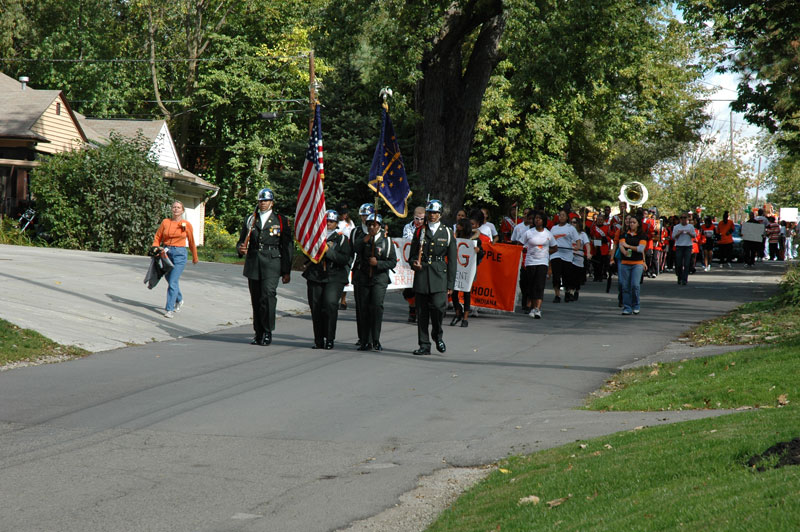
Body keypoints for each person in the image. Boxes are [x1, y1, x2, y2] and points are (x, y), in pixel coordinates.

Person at [237, 188, 293, 345]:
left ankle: (268, 331)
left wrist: (286, 270)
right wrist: (240, 249)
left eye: (266, 201)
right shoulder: (251, 219)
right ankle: (258, 332)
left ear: (272, 203)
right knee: (256, 299)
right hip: (254, 262)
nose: (263, 204)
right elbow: (241, 241)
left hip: (272, 262)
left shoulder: (281, 220)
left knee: (267, 296)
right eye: (261, 201)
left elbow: (287, 246)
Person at [409, 199, 457, 355]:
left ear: (440, 214)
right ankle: (424, 344)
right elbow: (412, 255)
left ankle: (437, 334)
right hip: (422, 274)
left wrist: (450, 284)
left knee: (438, 308)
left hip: (439, 275)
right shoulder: (420, 231)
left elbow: (452, 262)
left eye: (435, 213)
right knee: (422, 312)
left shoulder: (448, 232)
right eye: (430, 213)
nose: (432, 216)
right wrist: (413, 263)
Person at [302, 210, 352, 350]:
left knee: (330, 305)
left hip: (334, 276)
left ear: (336, 224)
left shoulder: (342, 239)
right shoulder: (315, 238)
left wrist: (328, 252)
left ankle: (329, 338)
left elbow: (344, 259)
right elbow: (306, 255)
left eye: (331, 222)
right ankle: (318, 339)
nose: (328, 224)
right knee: (316, 307)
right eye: (326, 221)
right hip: (315, 275)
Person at [353, 213, 396, 351]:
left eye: (375, 225)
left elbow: (392, 262)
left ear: (380, 226)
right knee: (364, 308)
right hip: (363, 277)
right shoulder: (362, 238)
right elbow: (354, 249)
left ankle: (376, 339)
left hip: (379, 278)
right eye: (369, 224)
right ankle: (365, 340)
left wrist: (378, 263)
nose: (372, 227)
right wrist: (367, 238)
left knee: (376, 307)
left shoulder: (387, 241)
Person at [151, 200, 199, 318]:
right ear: (171, 209)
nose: (176, 209)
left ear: (182, 210)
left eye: (178, 207)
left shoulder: (186, 224)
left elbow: (192, 241)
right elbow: (158, 236)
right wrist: (155, 247)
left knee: (173, 281)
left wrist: (195, 256)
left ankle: (169, 309)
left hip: (180, 254)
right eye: (174, 207)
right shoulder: (165, 222)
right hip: (166, 253)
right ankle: (179, 299)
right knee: (170, 279)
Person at [522, 211, 557, 319]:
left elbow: (555, 248)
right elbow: (520, 245)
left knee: (540, 286)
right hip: (530, 262)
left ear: (544, 221)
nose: (537, 220)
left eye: (539, 218)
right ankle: (532, 307)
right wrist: (525, 250)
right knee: (531, 286)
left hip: (542, 262)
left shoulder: (548, 234)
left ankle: (538, 309)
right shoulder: (529, 233)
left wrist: (546, 252)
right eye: (536, 218)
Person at [450, 217, 483, 327]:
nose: (457, 226)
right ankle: (458, 312)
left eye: (459, 225)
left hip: (468, 270)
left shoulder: (475, 240)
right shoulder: (456, 237)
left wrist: (478, 251)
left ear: (464, 227)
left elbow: (482, 253)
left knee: (466, 292)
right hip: (457, 269)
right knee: (454, 292)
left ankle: (465, 318)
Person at [351, 203, 375, 348]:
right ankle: (363, 337)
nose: (365, 218)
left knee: (374, 306)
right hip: (360, 271)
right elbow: (354, 248)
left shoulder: (381, 230)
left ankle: (373, 337)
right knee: (361, 307)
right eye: (363, 216)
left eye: (367, 215)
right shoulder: (356, 231)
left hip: (375, 274)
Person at [617, 216, 648, 315]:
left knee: (635, 285)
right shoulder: (624, 234)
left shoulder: (642, 235)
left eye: (634, 222)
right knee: (625, 286)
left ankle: (636, 305)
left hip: (637, 263)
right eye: (630, 222)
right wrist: (624, 252)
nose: (631, 224)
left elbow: (640, 249)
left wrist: (629, 246)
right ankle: (627, 307)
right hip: (625, 263)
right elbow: (621, 245)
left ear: (638, 224)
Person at [402, 206, 427, 323]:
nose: (420, 221)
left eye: (422, 219)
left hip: (422, 261)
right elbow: (408, 241)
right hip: (410, 260)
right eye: (417, 219)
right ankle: (412, 308)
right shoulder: (408, 227)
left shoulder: (426, 228)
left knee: (419, 288)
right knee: (409, 290)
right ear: (414, 217)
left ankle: (417, 312)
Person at [549, 209, 579, 302]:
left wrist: (577, 247)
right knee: (556, 275)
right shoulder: (554, 228)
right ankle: (557, 295)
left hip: (567, 255)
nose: (561, 217)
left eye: (563, 215)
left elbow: (577, 240)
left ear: (567, 218)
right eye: (560, 215)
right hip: (556, 253)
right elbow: (549, 239)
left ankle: (567, 293)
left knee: (567, 275)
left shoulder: (571, 228)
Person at [570, 218, 591, 301]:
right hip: (569, 257)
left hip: (579, 258)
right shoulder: (568, 233)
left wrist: (588, 253)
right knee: (570, 275)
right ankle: (570, 291)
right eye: (571, 222)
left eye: (574, 222)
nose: (572, 224)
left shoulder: (582, 234)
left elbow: (587, 244)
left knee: (577, 277)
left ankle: (576, 290)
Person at [672, 213, 695, 285]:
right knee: (679, 263)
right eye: (682, 218)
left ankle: (685, 279)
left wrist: (688, 233)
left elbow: (694, 236)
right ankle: (680, 277)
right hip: (679, 246)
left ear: (687, 219)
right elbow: (673, 237)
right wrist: (679, 233)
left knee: (686, 263)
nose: (683, 219)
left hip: (688, 246)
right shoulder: (676, 227)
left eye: (685, 218)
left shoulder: (690, 226)